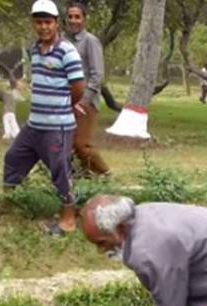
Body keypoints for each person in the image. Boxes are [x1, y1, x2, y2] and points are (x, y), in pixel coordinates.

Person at [2, 0, 86, 236]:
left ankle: (68, 220)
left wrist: (63, 107)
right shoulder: (35, 50)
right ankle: (8, 205)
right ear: (33, 24)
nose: (43, 27)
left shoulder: (67, 52)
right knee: (13, 159)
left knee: (60, 171)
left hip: (57, 127)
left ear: (56, 23)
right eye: (39, 22)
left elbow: (78, 88)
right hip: (34, 125)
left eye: (48, 22)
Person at [66, 3, 111, 178]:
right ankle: (82, 177)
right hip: (68, 100)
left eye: (77, 17)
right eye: (70, 16)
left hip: (86, 102)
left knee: (81, 144)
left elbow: (97, 75)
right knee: (67, 144)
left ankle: (105, 173)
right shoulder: (64, 42)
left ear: (84, 19)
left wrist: (84, 101)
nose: (73, 20)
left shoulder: (90, 41)